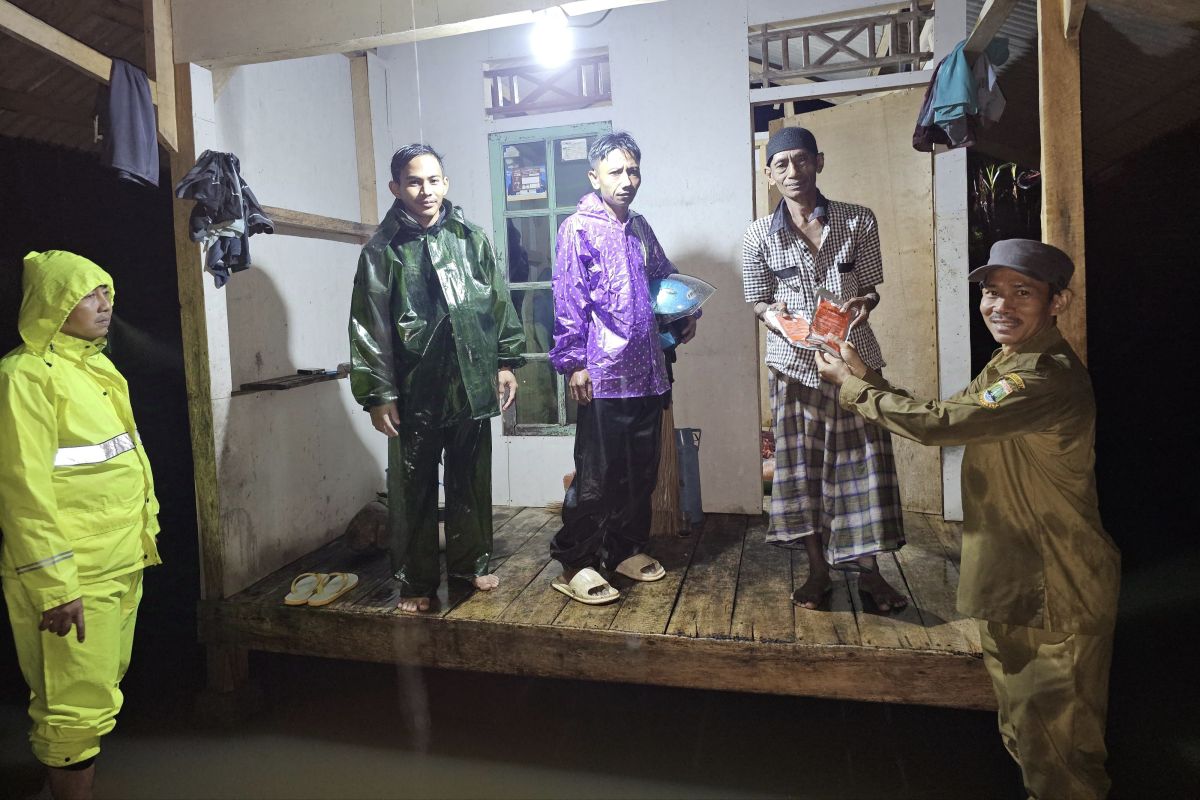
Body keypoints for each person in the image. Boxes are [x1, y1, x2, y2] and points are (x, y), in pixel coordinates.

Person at [816, 239, 1120, 799]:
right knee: (1026, 737)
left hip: (1057, 590)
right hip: (1014, 583)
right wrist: (865, 375)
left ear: (1059, 301)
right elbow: (950, 414)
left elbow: (939, 425)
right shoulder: (1011, 362)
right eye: (990, 291)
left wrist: (854, 388)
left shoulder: (1044, 377)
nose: (1000, 305)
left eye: (1021, 292)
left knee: (1064, 759)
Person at [0, 250, 161, 800]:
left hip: (120, 562)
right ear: (53, 304)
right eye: (88, 294)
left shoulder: (96, 368)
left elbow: (123, 462)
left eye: (106, 292)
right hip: (74, 576)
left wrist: (145, 541)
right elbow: (23, 491)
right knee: (74, 704)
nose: (104, 303)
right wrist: (55, 586)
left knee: (98, 690)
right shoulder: (24, 377)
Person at [349, 144, 525, 613]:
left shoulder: (472, 239)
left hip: (470, 381)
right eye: (413, 181)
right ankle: (416, 582)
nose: (424, 190)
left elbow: (498, 303)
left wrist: (505, 362)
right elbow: (370, 324)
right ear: (396, 188)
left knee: (471, 477)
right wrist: (379, 393)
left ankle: (472, 564)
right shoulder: (382, 251)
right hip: (413, 389)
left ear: (445, 183)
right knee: (413, 486)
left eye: (432, 180)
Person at [742, 125, 908, 612]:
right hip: (794, 369)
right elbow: (758, 300)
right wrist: (781, 323)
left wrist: (864, 303)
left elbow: (873, 286)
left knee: (863, 466)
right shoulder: (757, 235)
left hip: (853, 360)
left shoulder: (858, 220)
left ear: (819, 161)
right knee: (802, 468)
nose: (793, 172)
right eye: (781, 165)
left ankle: (869, 573)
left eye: (801, 160)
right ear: (769, 174)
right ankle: (817, 572)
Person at [548, 131, 698, 604]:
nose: (627, 180)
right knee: (597, 476)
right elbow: (568, 299)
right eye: (616, 171)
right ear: (594, 177)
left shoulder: (639, 226)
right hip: (603, 373)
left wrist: (683, 316)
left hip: (649, 370)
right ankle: (579, 562)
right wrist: (575, 363)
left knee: (640, 471)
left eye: (633, 170)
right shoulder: (578, 228)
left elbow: (663, 280)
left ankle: (625, 548)